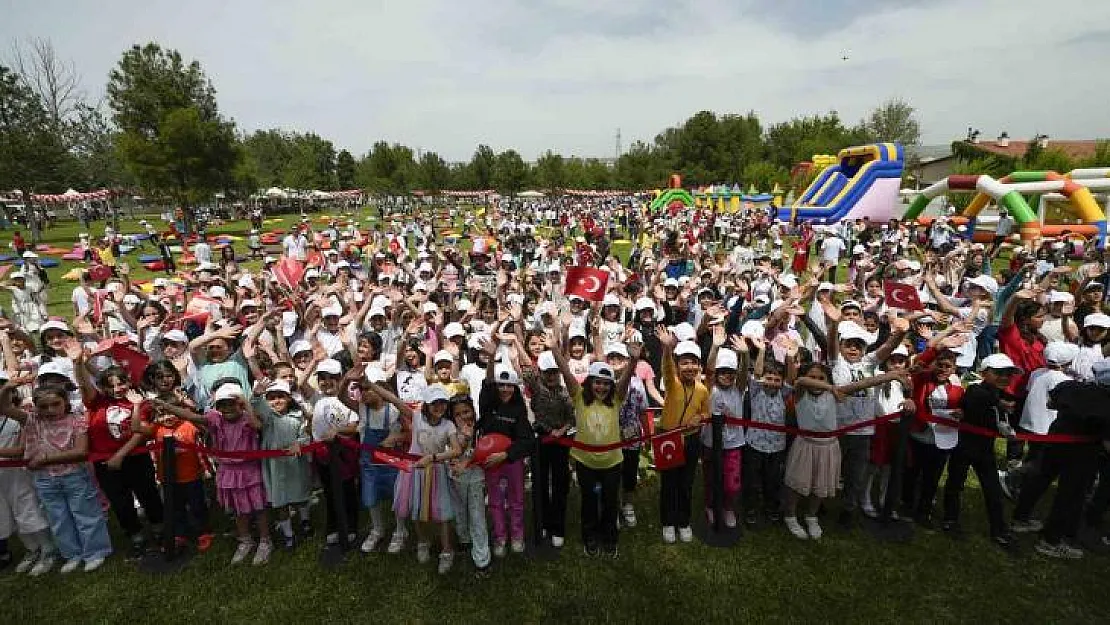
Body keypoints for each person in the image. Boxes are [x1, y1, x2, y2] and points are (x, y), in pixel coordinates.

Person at [784, 362, 906, 540]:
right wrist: (830, 386)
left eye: (821, 378)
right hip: (806, 445)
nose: (816, 381)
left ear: (828, 379)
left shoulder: (833, 394)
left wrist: (892, 376)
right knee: (796, 483)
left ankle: (811, 515)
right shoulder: (801, 393)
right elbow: (801, 380)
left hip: (828, 447)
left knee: (821, 484)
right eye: (813, 377)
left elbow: (864, 383)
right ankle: (790, 516)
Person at [0, 381, 112, 573]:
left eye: (55, 404)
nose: (50, 410)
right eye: (43, 406)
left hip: (74, 475)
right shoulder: (32, 420)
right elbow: (4, 407)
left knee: (85, 514)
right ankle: (72, 554)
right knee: (58, 518)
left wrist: (45, 458)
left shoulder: (76, 420)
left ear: (65, 402)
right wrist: (8, 387)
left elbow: (81, 452)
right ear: (35, 406)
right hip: (45, 480)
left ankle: (95, 552)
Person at [156, 383, 272, 565]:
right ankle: (245, 540)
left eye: (232, 404)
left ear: (240, 404)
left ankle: (265, 541)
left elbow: (257, 425)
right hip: (228, 472)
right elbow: (192, 416)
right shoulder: (215, 420)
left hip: (249, 471)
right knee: (238, 509)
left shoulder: (247, 420)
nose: (227, 409)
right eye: (222, 405)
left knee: (259, 507)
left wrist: (247, 403)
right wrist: (168, 406)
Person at [549, 330, 639, 556]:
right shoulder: (579, 396)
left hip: (611, 462)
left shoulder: (616, 399)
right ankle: (589, 536)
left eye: (606, 384)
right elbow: (566, 372)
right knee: (588, 502)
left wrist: (634, 360)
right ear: (590, 383)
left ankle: (610, 538)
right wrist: (554, 350)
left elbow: (625, 380)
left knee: (610, 503)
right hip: (585, 461)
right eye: (597, 383)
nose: (601, 387)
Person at [940, 354, 1021, 551]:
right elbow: (980, 400)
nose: (1004, 377)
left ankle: (999, 530)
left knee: (993, 490)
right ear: (984, 373)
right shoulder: (978, 390)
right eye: (999, 373)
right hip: (965, 446)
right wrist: (999, 405)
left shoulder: (999, 394)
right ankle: (950, 519)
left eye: (1008, 374)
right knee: (955, 483)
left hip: (985, 449)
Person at [392, 384, 460, 574]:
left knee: (442, 512)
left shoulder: (448, 425)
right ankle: (423, 541)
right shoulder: (416, 417)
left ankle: (447, 551)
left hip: (437, 472)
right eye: (434, 404)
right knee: (416, 507)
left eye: (442, 403)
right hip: (415, 473)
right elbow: (393, 399)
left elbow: (456, 449)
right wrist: (369, 384)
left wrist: (434, 458)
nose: (439, 407)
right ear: (426, 405)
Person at [476, 338, 536, 557]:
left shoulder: (519, 411)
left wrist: (506, 454)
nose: (505, 389)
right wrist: (492, 358)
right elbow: (487, 383)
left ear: (514, 387)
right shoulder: (488, 405)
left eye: (509, 385)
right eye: (501, 385)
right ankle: (500, 536)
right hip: (490, 462)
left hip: (511, 461)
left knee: (517, 499)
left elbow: (527, 441)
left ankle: (517, 535)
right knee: (495, 500)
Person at [655, 330, 710, 544]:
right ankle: (668, 522)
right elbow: (666, 368)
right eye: (685, 363)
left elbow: (707, 411)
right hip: (668, 439)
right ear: (678, 366)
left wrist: (700, 417)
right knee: (669, 483)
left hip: (691, 440)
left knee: (686, 483)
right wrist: (667, 348)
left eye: (694, 363)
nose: (689, 367)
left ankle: (683, 521)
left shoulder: (703, 390)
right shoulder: (672, 383)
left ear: (699, 366)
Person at [0, 372, 57, 576]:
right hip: (1, 479)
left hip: (18, 475)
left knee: (28, 511)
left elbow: (21, 450)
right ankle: (32, 550)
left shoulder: (19, 417)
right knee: (7, 516)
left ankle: (48, 550)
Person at [354, 371, 413, 554]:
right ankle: (377, 529)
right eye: (361, 390)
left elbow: (410, 433)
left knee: (396, 497)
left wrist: (396, 438)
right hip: (370, 463)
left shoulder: (393, 411)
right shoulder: (362, 409)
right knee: (371, 497)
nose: (362, 394)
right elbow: (341, 397)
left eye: (367, 390)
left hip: (391, 463)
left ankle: (400, 530)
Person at [522, 350, 575, 548]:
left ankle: (557, 526)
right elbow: (527, 371)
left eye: (555, 372)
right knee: (540, 483)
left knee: (561, 484)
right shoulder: (537, 389)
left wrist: (561, 431)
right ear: (541, 373)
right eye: (547, 372)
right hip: (541, 440)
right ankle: (542, 523)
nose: (551, 376)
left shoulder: (565, 393)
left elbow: (572, 419)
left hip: (561, 441)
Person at [253, 379, 313, 551]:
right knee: (280, 501)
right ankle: (288, 534)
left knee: (300, 495)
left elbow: (305, 435)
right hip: (274, 467)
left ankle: (305, 521)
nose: (276, 401)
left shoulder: (298, 416)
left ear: (288, 398)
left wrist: (299, 443)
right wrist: (257, 395)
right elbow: (257, 405)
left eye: (280, 396)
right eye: (271, 398)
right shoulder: (268, 417)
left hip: (295, 464)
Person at [701, 331, 749, 528]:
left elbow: (744, 373)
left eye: (731, 372)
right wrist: (715, 347)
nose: (727, 376)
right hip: (710, 443)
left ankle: (728, 507)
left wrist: (745, 355)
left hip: (733, 444)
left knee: (731, 483)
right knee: (711, 478)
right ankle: (710, 506)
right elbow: (710, 370)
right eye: (723, 372)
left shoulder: (739, 389)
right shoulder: (710, 388)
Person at [447, 395, 491, 577]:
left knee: (477, 517)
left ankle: (482, 560)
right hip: (456, 479)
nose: (463, 416)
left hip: (476, 479)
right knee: (459, 513)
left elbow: (485, 451)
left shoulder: (481, 429)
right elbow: (453, 452)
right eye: (457, 414)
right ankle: (464, 540)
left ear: (473, 410)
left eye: (466, 411)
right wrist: (464, 438)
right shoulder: (449, 431)